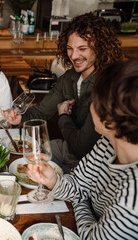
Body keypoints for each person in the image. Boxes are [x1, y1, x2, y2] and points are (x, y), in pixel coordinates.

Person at [27, 58, 138, 239]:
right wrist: (54, 180)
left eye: (94, 100)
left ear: (108, 121)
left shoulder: (132, 199)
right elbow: (78, 185)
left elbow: (91, 237)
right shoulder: (107, 142)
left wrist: (81, 200)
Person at [3, 13, 123, 173]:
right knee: (16, 165)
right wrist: (20, 118)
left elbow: (81, 148)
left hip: (93, 168)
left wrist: (63, 116)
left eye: (82, 49)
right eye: (69, 49)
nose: (74, 56)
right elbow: (41, 111)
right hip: (65, 150)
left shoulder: (106, 85)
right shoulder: (69, 78)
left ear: (99, 48)